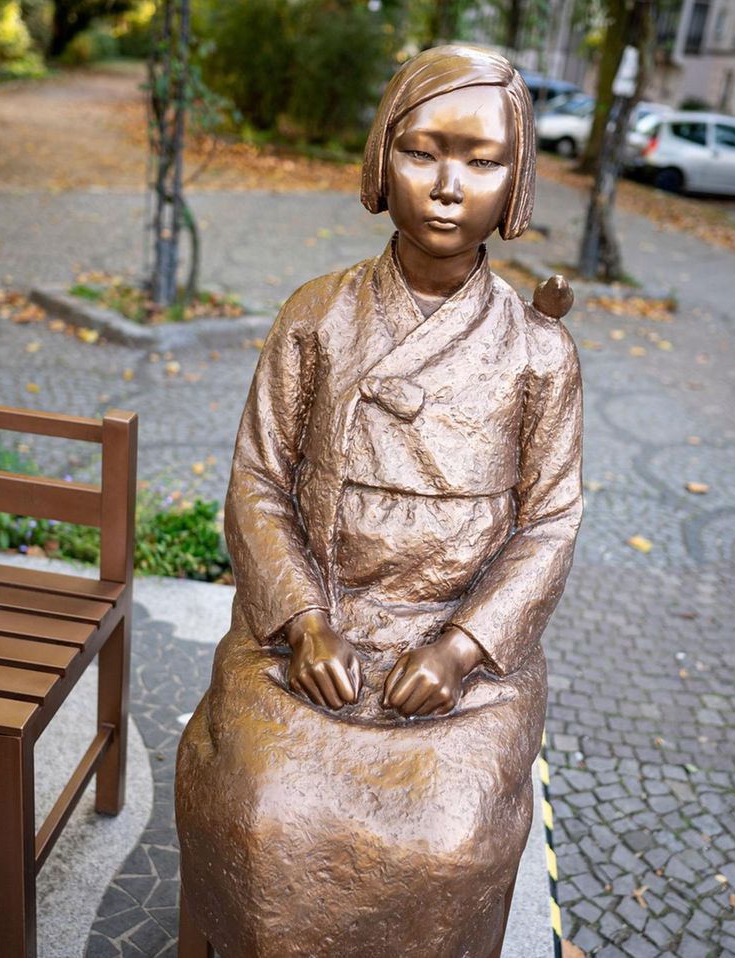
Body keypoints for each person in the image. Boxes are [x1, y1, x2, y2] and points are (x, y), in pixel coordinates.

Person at [175, 45, 584, 958]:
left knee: (448, 841)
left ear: (516, 183)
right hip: (311, 630)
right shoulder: (316, 314)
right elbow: (257, 480)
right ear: (379, 159)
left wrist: (464, 646)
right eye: (422, 152)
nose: (448, 187)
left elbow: (551, 522)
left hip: (458, 657)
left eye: (482, 162)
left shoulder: (538, 351)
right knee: (262, 813)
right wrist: (302, 621)